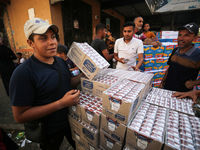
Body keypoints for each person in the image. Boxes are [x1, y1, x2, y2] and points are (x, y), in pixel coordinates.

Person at [9, 18, 84, 150]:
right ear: (31, 43)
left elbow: (67, 83)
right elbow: (20, 116)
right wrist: (61, 103)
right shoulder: (23, 73)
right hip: (49, 129)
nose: (52, 42)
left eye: (53, 37)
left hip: (72, 120)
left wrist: (84, 76)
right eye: (44, 38)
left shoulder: (60, 62)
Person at [159, 22, 200, 92]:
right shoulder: (175, 51)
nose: (181, 38)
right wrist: (162, 82)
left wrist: (193, 83)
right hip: (167, 90)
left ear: (195, 38)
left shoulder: (198, 54)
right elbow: (170, 68)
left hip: (184, 95)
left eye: (186, 35)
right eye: (180, 35)